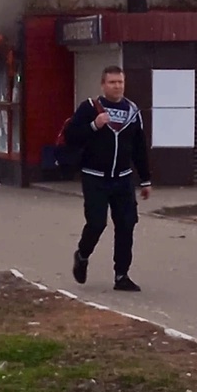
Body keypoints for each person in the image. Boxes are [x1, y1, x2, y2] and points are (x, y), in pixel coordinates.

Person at [65, 66, 151, 292]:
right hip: (95, 177)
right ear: (103, 85)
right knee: (97, 223)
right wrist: (94, 125)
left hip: (123, 179)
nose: (117, 86)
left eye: (120, 82)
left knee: (126, 224)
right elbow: (71, 136)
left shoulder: (132, 111)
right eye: (112, 82)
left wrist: (146, 180)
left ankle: (121, 275)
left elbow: (139, 147)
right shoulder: (90, 108)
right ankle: (82, 256)